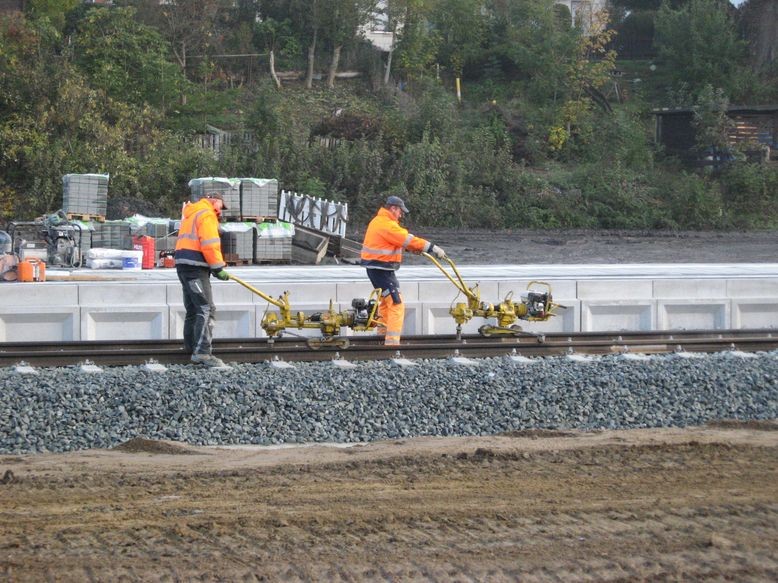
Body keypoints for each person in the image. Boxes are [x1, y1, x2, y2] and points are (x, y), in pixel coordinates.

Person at [360, 195, 446, 346]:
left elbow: (398, 241)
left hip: (377, 269)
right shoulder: (386, 224)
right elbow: (407, 239)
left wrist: (412, 248)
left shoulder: (379, 221)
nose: (401, 215)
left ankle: (382, 336)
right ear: (393, 208)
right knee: (396, 304)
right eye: (400, 211)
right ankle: (392, 344)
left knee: (386, 304)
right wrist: (432, 248)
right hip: (382, 269)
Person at [174, 192, 231, 367]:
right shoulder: (206, 214)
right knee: (206, 308)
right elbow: (209, 244)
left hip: (184, 265)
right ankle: (202, 354)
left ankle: (191, 348)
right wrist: (218, 267)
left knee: (193, 309)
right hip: (195, 267)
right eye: (221, 206)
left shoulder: (192, 213)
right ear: (215, 201)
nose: (221, 211)